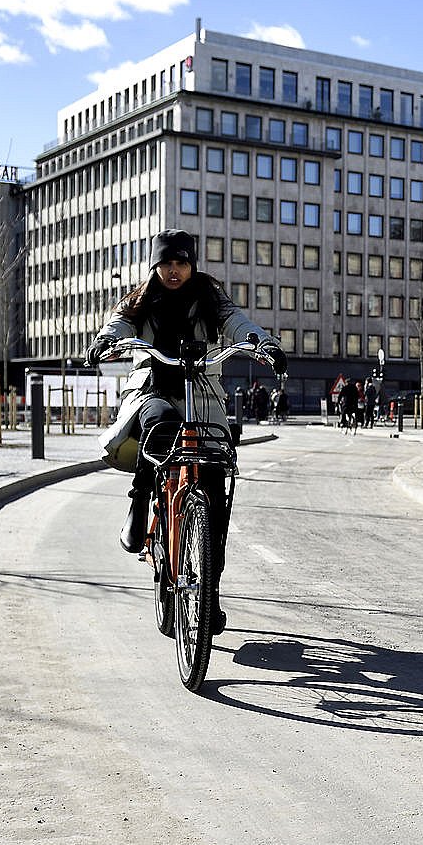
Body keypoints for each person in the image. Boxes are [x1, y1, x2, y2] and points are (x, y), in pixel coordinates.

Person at [89, 230, 281, 631]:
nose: (174, 270)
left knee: (214, 490)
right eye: (166, 263)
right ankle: (141, 497)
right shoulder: (140, 302)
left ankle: (208, 591)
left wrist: (262, 344)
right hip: (153, 389)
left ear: (192, 265)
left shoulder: (211, 299)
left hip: (204, 396)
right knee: (160, 426)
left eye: (181, 263)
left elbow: (239, 324)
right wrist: (106, 341)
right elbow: (117, 325)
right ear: (155, 266)